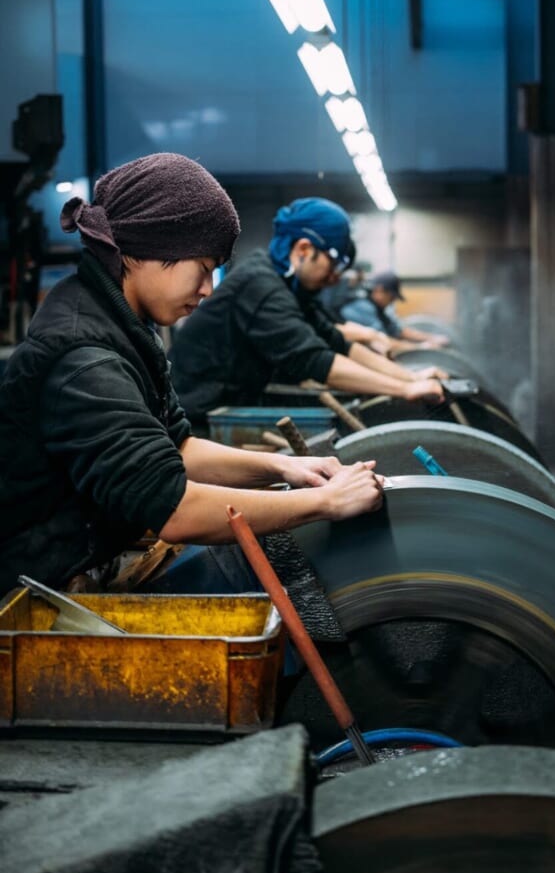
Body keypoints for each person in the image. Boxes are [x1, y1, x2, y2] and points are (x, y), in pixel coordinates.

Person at [0, 154, 385, 598]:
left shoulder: (123, 326)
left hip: (83, 563)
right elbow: (176, 510)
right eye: (202, 267)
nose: (207, 288)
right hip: (29, 595)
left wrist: (287, 467)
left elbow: (177, 446)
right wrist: (324, 502)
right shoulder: (84, 358)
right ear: (145, 248)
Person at [168, 197, 445, 429]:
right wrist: (404, 390)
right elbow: (314, 360)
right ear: (304, 249)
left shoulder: (290, 287)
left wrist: (411, 377)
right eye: (332, 265)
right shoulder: (261, 285)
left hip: (232, 404)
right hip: (197, 417)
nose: (334, 279)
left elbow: (337, 343)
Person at [341, 269, 450, 349]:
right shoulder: (362, 307)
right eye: (392, 297)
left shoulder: (378, 308)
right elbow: (381, 341)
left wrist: (431, 338)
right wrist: (420, 347)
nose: (392, 302)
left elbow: (398, 330)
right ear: (379, 290)